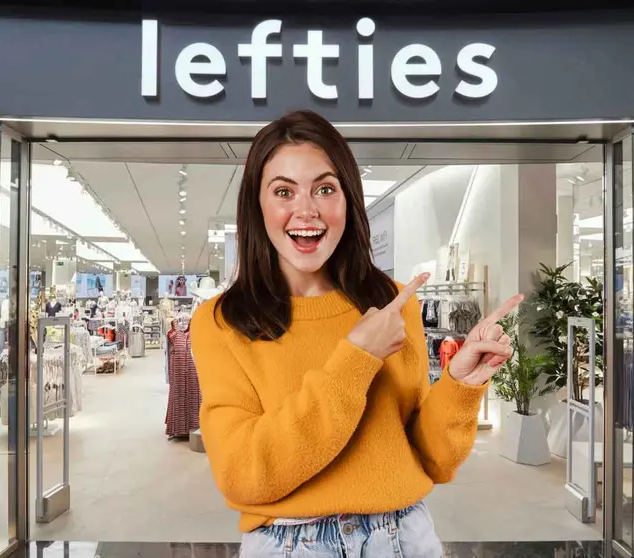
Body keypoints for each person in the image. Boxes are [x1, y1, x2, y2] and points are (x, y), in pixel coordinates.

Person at [190, 110, 523, 557]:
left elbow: (432, 459)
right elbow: (245, 474)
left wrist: (461, 383)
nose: (306, 210)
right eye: (283, 191)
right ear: (257, 205)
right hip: (289, 543)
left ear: (348, 199)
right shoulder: (221, 321)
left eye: (325, 189)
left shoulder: (391, 301)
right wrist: (355, 359)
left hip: (406, 536)